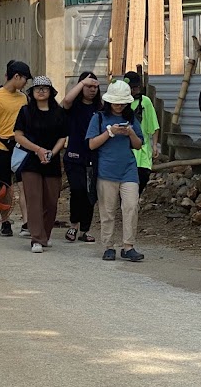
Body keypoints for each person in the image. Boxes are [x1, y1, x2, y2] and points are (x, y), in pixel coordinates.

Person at [87, 79, 145, 262]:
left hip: (128, 169)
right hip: (106, 171)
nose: (119, 106)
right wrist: (109, 132)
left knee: (130, 206)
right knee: (107, 210)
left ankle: (128, 246)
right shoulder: (99, 117)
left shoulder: (131, 118)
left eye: (122, 102)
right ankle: (108, 245)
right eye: (116, 102)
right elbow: (91, 144)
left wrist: (130, 133)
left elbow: (138, 145)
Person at [13, 76, 69, 253]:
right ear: (32, 92)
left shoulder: (58, 112)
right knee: (34, 200)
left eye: (45, 88)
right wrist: (37, 150)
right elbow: (18, 135)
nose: (41, 91)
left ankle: (45, 234)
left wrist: (51, 152)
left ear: (51, 92)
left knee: (51, 201)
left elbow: (63, 136)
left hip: (51, 161)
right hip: (30, 161)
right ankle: (36, 238)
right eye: (38, 88)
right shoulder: (26, 111)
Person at [0, 60, 31, 236]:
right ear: (16, 76)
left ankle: (26, 222)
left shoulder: (24, 98)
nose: (25, 83)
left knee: (23, 184)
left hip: (19, 145)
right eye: (25, 79)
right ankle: (6, 221)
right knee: (4, 186)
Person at [60, 72, 102, 243]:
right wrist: (82, 82)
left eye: (95, 87)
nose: (92, 90)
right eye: (88, 86)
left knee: (90, 193)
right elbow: (66, 101)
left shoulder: (100, 109)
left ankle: (85, 229)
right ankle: (73, 225)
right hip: (74, 156)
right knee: (77, 189)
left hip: (93, 156)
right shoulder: (74, 107)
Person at [123, 71, 161, 194]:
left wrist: (155, 145)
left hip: (143, 151)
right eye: (132, 88)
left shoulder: (145, 102)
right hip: (125, 151)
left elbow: (154, 125)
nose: (135, 90)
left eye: (137, 87)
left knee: (142, 179)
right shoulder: (120, 103)